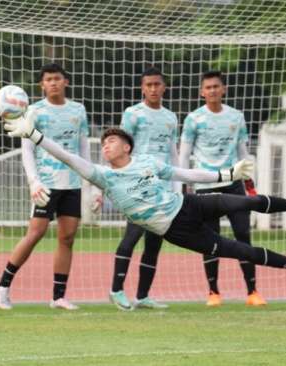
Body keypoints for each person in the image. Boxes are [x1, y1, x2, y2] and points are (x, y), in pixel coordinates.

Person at [3, 115, 286, 297]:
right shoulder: (103, 176)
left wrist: (226, 173)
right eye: (102, 143)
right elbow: (71, 158)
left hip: (189, 205)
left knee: (245, 201)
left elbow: (185, 171)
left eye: (111, 141)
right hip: (176, 231)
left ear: (126, 145)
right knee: (244, 252)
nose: (105, 146)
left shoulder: (147, 161)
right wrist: (35, 136)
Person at [0, 63, 103, 310]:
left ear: (66, 82)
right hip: (45, 184)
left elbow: (83, 148)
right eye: (48, 79)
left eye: (57, 78)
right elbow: (27, 150)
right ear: (41, 85)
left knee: (67, 238)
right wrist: (33, 181)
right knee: (35, 234)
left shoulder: (78, 110)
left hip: (72, 184)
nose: (53, 83)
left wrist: (95, 185)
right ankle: (3, 285)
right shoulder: (33, 111)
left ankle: (58, 297)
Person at [179, 70, 264, 307]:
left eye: (216, 86)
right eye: (208, 87)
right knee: (210, 240)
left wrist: (250, 187)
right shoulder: (193, 119)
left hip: (234, 186)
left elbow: (243, 153)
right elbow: (184, 156)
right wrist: (183, 188)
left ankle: (252, 292)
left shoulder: (236, 117)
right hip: (206, 187)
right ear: (201, 92)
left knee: (243, 236)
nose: (212, 91)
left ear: (223, 89)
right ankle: (213, 293)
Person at [108, 67, 179, 311]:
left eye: (157, 84)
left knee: (154, 242)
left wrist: (177, 186)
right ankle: (116, 290)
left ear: (164, 87)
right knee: (133, 234)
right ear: (142, 88)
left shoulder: (171, 117)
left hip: (162, 188)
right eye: (148, 85)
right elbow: (120, 147)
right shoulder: (133, 114)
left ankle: (142, 296)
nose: (153, 89)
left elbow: (173, 152)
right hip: (137, 186)